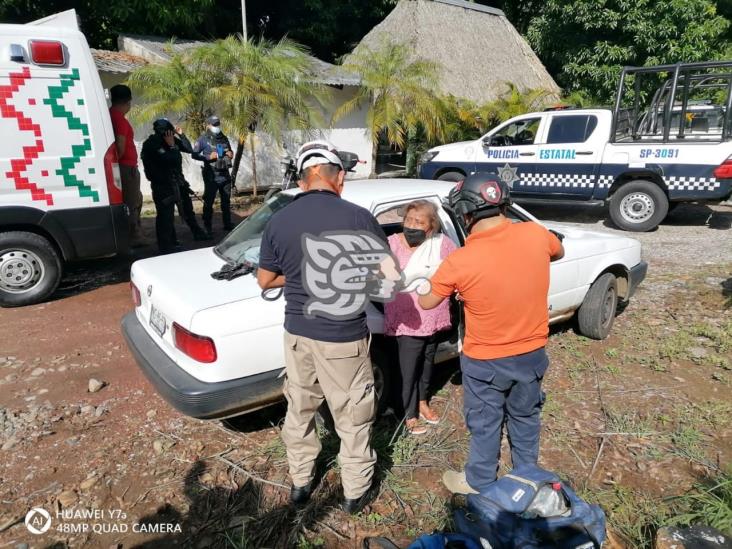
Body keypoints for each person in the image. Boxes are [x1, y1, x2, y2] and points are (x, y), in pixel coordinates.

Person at [256, 140, 386, 514]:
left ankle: (300, 481)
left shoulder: (278, 220)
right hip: (342, 338)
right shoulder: (358, 217)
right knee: (353, 414)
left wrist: (299, 276)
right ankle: (354, 492)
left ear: (301, 179)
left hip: (297, 335)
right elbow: (384, 279)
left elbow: (265, 280)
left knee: (299, 408)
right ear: (338, 177)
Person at [418, 172, 564, 495]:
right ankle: (529, 480)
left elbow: (427, 301)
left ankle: (480, 482)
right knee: (525, 419)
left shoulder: (460, 260)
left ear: (466, 214)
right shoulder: (536, 234)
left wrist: (428, 280)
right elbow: (558, 251)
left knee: (485, 423)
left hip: (485, 361)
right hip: (531, 356)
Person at [384, 200, 457, 435]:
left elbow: (456, 270)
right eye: (409, 220)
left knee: (427, 363)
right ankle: (407, 412)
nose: (412, 225)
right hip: (406, 318)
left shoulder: (442, 244)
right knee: (407, 367)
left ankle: (423, 402)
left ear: (431, 226)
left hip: (433, 315)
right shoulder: (392, 243)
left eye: (419, 222)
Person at [140, 118, 210, 254]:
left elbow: (189, 149)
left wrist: (181, 135)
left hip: (178, 181)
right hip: (163, 184)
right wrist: (171, 146)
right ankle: (166, 245)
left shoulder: (172, 138)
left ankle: (197, 233)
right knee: (165, 215)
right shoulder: (152, 144)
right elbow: (171, 159)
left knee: (188, 209)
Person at [109, 84, 146, 247]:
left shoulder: (110, 115)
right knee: (132, 202)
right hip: (126, 167)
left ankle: (133, 232)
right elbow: (120, 146)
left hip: (122, 167)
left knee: (135, 199)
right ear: (128, 102)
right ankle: (134, 236)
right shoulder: (119, 119)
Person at [193, 115, 235, 235]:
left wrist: (231, 153)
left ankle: (227, 224)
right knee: (209, 202)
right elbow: (194, 154)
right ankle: (207, 226)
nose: (217, 127)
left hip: (225, 173)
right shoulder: (203, 139)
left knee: (226, 201)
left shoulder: (223, 138)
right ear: (208, 125)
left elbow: (230, 151)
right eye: (214, 124)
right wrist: (208, 157)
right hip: (212, 174)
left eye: (218, 124)